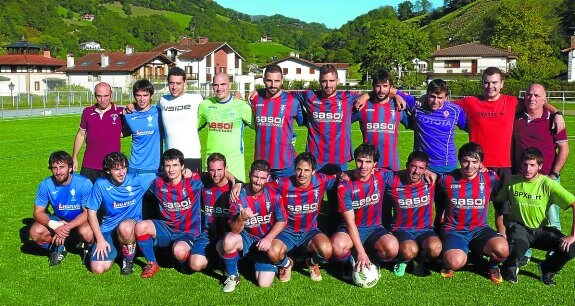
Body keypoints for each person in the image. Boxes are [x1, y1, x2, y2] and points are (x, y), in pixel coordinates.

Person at [393, 79, 467, 232]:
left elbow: (473, 128)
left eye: (440, 98)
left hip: (448, 167)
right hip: (424, 167)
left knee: (445, 207)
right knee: (421, 205)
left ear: (446, 97)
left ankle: (444, 238)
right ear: (426, 94)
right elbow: (389, 89)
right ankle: (420, 234)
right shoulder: (417, 105)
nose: (435, 101)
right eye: (432, 96)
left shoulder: (454, 111)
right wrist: (397, 97)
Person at [497, 147, 575, 285]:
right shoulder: (512, 182)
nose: (528, 169)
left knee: (571, 248)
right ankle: (510, 268)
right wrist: (502, 230)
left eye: (532, 165)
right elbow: (498, 202)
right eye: (525, 164)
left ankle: (547, 268)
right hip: (519, 228)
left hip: (541, 230)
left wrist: (573, 235)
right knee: (518, 244)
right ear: (521, 164)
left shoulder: (548, 184)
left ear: (540, 166)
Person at [512, 83, 569, 266]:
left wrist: (554, 174)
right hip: (524, 178)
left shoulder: (553, 120)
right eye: (529, 94)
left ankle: (554, 254)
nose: (532, 98)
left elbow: (564, 149)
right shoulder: (516, 117)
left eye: (537, 95)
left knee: (552, 219)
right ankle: (525, 253)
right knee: (525, 218)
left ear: (545, 100)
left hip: (547, 178)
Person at [438, 142, 509, 285]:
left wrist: (502, 230)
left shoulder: (490, 178)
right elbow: (436, 200)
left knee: (503, 249)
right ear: (460, 161)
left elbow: (501, 202)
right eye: (465, 161)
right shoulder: (447, 179)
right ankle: (449, 259)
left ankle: (493, 266)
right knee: (455, 262)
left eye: (474, 162)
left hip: (480, 229)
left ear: (481, 163)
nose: (470, 166)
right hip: (454, 230)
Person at [267, 152, 340, 282]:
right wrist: (239, 185)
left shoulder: (321, 180)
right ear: (294, 169)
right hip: (286, 232)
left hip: (310, 232)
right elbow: (262, 187)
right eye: (299, 169)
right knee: (272, 252)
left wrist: (351, 174)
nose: (302, 174)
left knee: (327, 250)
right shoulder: (283, 183)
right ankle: (286, 265)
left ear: (313, 171)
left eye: (306, 170)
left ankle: (311, 263)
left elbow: (339, 176)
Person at [330, 143, 398, 279]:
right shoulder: (345, 185)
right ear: (355, 161)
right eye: (360, 161)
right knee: (336, 246)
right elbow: (350, 223)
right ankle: (351, 261)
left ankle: (373, 261)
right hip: (350, 229)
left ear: (375, 164)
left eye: (368, 162)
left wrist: (426, 171)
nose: (363, 166)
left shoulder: (381, 176)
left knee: (392, 248)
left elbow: (404, 173)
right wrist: (360, 252)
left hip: (375, 229)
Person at [135, 149, 204, 278]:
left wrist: (237, 183)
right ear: (163, 167)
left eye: (175, 165)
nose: (171, 169)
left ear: (183, 166)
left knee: (179, 252)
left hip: (187, 232)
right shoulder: (157, 182)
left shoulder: (193, 181)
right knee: (140, 227)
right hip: (166, 229)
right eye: (168, 166)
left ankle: (183, 258)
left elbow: (216, 175)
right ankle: (152, 263)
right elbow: (134, 178)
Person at [220, 160, 287, 292]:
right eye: (256, 176)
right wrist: (242, 218)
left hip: (265, 241)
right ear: (250, 174)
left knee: (264, 283)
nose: (258, 181)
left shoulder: (274, 195)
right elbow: (234, 230)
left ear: (268, 178)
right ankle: (233, 276)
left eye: (262, 178)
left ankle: (276, 261)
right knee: (228, 241)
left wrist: (268, 239)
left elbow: (282, 220)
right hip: (247, 237)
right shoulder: (237, 196)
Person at [84, 152, 155, 275]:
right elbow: (91, 212)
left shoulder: (137, 180)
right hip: (108, 228)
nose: (122, 173)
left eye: (123, 168)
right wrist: (100, 239)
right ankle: (117, 249)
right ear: (108, 171)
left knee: (125, 227)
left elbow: (163, 175)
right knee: (98, 269)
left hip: (130, 226)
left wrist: (186, 172)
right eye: (116, 169)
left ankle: (127, 260)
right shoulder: (101, 184)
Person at [29, 151, 94, 266]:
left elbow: (87, 213)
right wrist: (55, 225)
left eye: (62, 167)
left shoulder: (84, 183)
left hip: (80, 221)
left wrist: (66, 228)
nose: (58, 172)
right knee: (35, 232)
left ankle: (87, 248)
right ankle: (58, 248)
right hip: (60, 219)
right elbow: (37, 212)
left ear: (70, 168)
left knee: (88, 233)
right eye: (54, 168)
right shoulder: (46, 185)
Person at [385, 151, 442, 277]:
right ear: (407, 166)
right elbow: (375, 174)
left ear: (425, 170)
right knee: (410, 250)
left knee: (435, 248)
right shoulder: (392, 182)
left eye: (421, 168)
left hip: (425, 229)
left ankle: (419, 260)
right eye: (413, 166)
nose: (417, 171)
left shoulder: (431, 182)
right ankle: (403, 260)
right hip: (401, 229)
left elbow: (457, 176)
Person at [250, 64, 304, 178]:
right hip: (261, 164)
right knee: (262, 196)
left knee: (286, 196)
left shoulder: (292, 101)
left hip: (285, 164)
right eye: (269, 81)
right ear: (264, 80)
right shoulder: (255, 99)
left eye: (277, 81)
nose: (273, 85)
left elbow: (305, 121)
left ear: (282, 81)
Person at [198, 73, 253, 182]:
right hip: (211, 161)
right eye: (216, 85)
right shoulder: (205, 105)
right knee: (211, 197)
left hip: (234, 162)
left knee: (235, 196)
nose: (219, 88)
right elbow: (192, 127)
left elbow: (261, 126)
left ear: (230, 85)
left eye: (223, 84)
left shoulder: (241, 106)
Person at [352, 69, 408, 171]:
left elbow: (415, 124)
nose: (381, 90)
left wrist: (397, 96)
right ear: (373, 87)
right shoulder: (362, 105)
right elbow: (342, 123)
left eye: (385, 86)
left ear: (391, 87)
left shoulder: (397, 106)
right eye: (378, 86)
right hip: (369, 167)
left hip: (392, 166)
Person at [72, 82, 124, 183]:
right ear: (95, 95)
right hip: (89, 164)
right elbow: (81, 134)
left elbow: (129, 131)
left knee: (109, 198)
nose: (103, 99)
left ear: (111, 94)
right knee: (86, 196)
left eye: (106, 96)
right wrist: (74, 157)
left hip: (111, 165)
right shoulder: (87, 112)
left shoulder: (120, 112)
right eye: (99, 96)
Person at [159, 67, 204, 172]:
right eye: (171, 83)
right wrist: (132, 105)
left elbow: (216, 102)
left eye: (178, 83)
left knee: (191, 188)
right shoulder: (163, 100)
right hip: (170, 158)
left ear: (185, 83)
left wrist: (235, 96)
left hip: (191, 156)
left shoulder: (196, 99)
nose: (174, 87)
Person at [123, 79, 162, 175]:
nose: (142, 99)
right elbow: (123, 132)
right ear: (134, 96)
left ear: (151, 96)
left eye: (145, 95)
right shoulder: (128, 114)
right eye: (138, 95)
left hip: (155, 167)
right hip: (134, 167)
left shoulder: (159, 112)